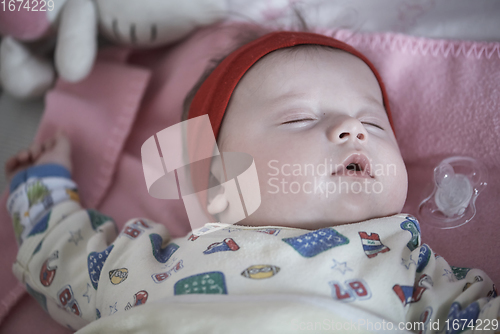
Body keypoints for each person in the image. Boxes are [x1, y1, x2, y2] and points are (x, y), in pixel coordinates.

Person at [5, 30, 499, 332]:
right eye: (299, 118)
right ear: (216, 183)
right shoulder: (147, 264)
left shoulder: (407, 269)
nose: (352, 130)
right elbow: (62, 257)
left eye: (373, 124)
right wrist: (41, 182)